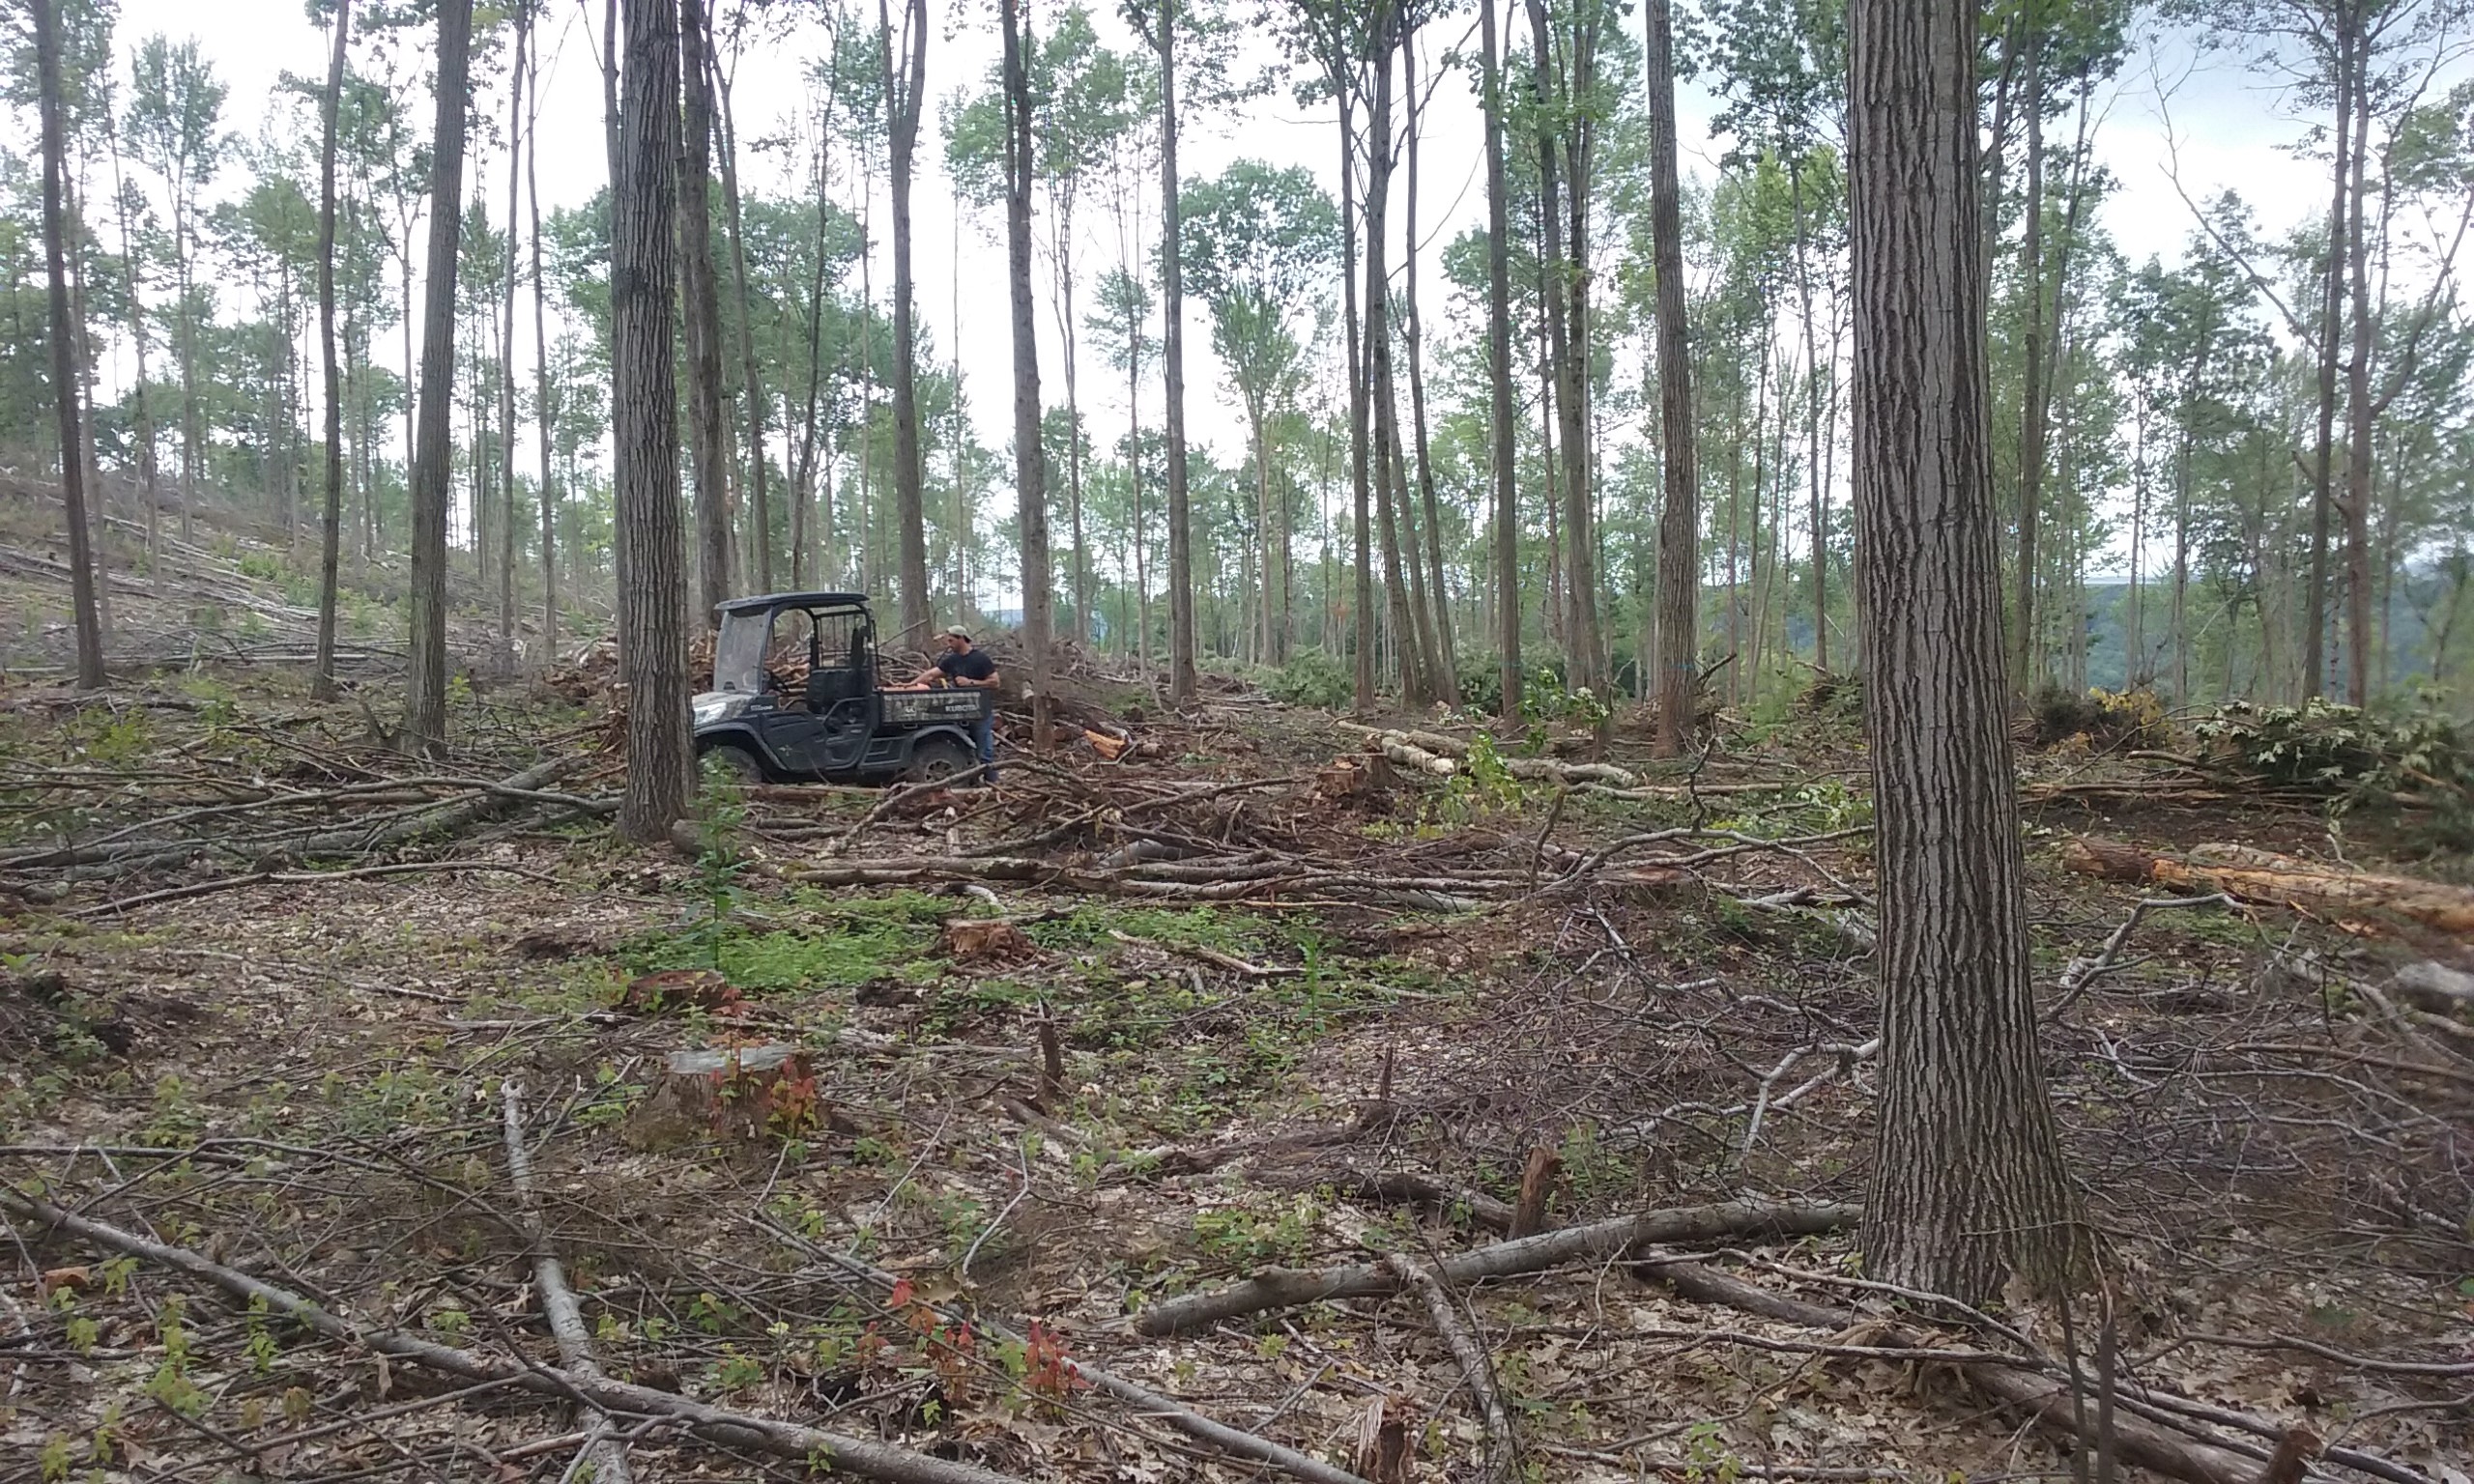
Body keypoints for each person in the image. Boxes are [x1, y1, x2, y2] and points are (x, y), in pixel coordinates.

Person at [904, 626, 1000, 784]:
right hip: (959, 710)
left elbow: (995, 682)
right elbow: (932, 674)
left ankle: (992, 780)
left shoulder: (980, 659)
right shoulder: (952, 659)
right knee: (965, 747)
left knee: (984, 747)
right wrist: (909, 686)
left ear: (961, 638)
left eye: (951, 640)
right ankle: (971, 778)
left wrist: (970, 682)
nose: (948, 644)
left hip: (980, 710)